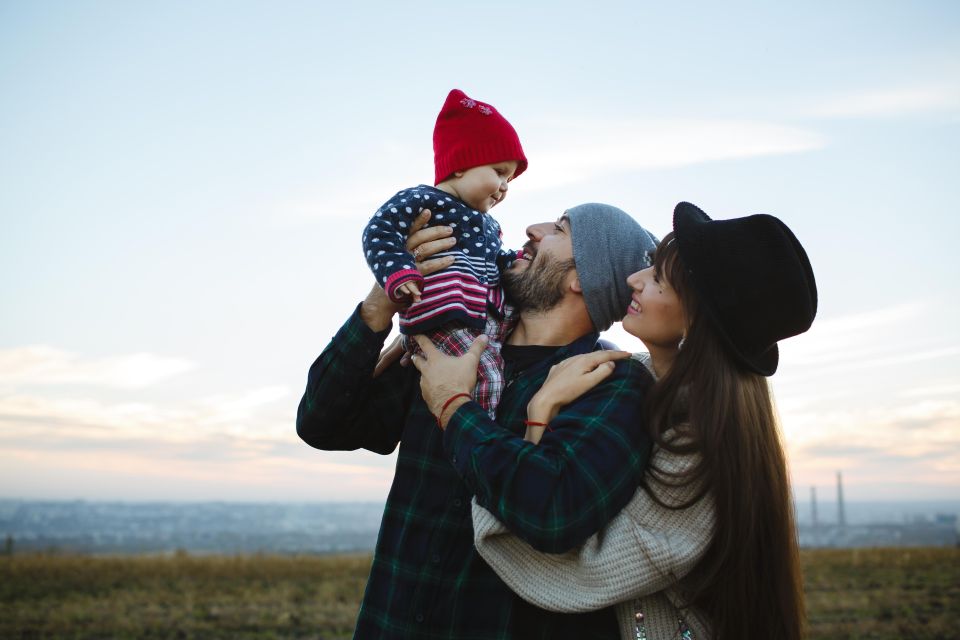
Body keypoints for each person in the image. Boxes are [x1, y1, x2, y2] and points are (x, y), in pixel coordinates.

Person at [441, 202, 817, 639]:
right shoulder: (634, 376)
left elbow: (579, 569)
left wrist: (531, 416)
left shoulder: (703, 442)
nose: (634, 280)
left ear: (697, 319)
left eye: (657, 278)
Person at [297, 203, 659, 639]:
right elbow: (322, 424)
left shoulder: (612, 383)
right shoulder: (453, 339)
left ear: (582, 279)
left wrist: (454, 406)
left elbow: (555, 514)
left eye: (560, 229)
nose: (533, 229)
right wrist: (378, 305)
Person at [361, 88, 528, 416]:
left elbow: (493, 260)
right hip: (440, 315)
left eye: (510, 178)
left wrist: (513, 261)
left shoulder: (489, 225)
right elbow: (379, 232)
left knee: (494, 370)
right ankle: (476, 437)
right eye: (499, 172)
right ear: (462, 164)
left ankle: (480, 432)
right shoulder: (423, 200)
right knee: (488, 379)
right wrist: (398, 272)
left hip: (477, 319)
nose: (506, 186)